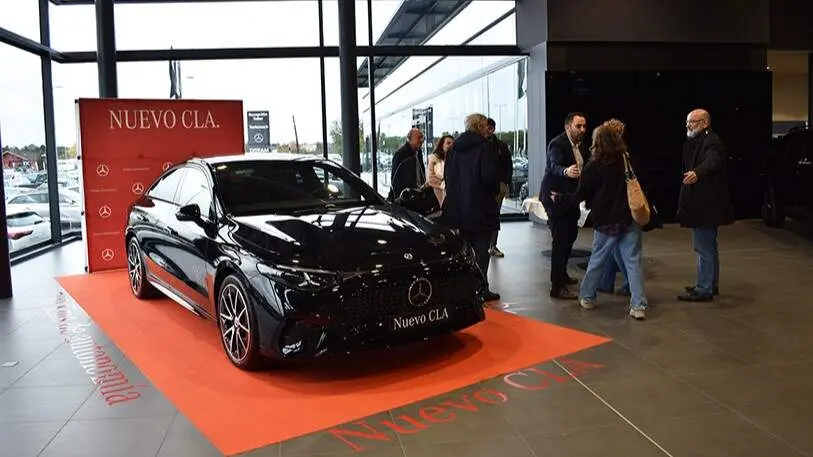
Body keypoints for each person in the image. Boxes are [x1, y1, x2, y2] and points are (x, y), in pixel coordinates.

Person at [553, 124, 649, 320]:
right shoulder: (627, 160)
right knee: (633, 262)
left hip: (605, 221)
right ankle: (638, 305)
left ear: (597, 142)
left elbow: (579, 195)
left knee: (597, 260)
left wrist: (560, 198)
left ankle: (588, 297)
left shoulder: (593, 166)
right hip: (629, 218)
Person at [442, 113, 502, 302]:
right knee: (481, 251)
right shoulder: (485, 148)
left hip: (459, 209)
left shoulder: (453, 149)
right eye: (485, 126)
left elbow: (448, 178)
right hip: (481, 208)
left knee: (464, 250)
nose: (488, 129)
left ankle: (464, 289)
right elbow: (490, 179)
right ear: (480, 127)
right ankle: (481, 289)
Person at [677, 109, 734, 302]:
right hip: (704, 205)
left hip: (706, 206)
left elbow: (713, 162)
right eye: (688, 122)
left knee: (704, 248)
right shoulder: (701, 141)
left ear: (705, 123)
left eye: (692, 122)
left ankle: (704, 288)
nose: (688, 125)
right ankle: (709, 284)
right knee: (709, 246)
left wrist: (697, 173)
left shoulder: (711, 142)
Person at [540, 112, 587, 300]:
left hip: (570, 198)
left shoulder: (580, 145)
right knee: (560, 240)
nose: (582, 130)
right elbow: (554, 166)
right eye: (578, 126)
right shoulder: (557, 144)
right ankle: (556, 286)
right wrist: (566, 171)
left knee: (570, 236)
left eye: (584, 126)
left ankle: (562, 275)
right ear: (568, 126)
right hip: (555, 197)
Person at [486, 118, 512, 258]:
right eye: (486, 127)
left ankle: (492, 245)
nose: (488, 130)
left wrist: (506, 183)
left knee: (495, 216)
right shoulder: (479, 145)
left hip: (499, 185)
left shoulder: (501, 145)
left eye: (490, 127)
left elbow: (509, 165)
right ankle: (482, 245)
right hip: (483, 187)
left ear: (493, 129)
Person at [389, 128, 425, 201]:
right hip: (405, 198)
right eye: (418, 138)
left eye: (422, 138)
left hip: (418, 196)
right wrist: (400, 199)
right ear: (409, 139)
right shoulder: (400, 154)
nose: (421, 140)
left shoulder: (418, 153)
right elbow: (394, 180)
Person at [427, 135, 453, 207]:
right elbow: (430, 179)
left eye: (453, 143)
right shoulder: (433, 159)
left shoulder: (455, 159)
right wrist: (444, 185)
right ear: (442, 146)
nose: (451, 145)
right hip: (437, 193)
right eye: (448, 143)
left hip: (451, 194)